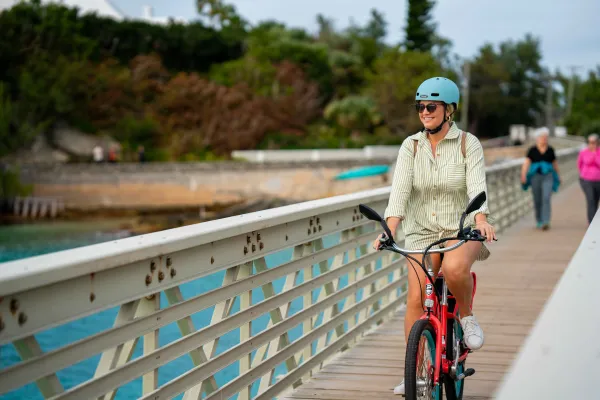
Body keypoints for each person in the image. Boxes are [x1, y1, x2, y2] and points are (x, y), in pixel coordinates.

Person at [373, 77, 497, 395]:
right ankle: (414, 370)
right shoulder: (410, 147)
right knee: (416, 299)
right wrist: (389, 229)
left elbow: (477, 187)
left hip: (461, 228)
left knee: (455, 270)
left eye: (431, 106)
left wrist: (481, 220)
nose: (424, 112)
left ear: (449, 110)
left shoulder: (469, 144)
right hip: (420, 231)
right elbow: (399, 192)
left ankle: (466, 317)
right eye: (420, 107)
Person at [520, 129, 561, 230]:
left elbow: (555, 163)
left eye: (545, 137)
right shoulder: (532, 150)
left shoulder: (550, 149)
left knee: (546, 197)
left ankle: (546, 221)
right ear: (537, 138)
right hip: (535, 176)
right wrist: (523, 175)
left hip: (548, 176)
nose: (544, 139)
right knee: (537, 199)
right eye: (542, 137)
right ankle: (539, 220)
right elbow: (526, 163)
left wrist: (558, 175)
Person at [577, 133, 600, 224]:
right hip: (586, 180)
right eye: (590, 142)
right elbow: (581, 164)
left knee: (596, 200)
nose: (592, 144)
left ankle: (595, 218)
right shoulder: (583, 152)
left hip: (598, 180)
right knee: (590, 199)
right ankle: (591, 222)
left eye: (594, 142)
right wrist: (592, 155)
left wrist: (595, 154)